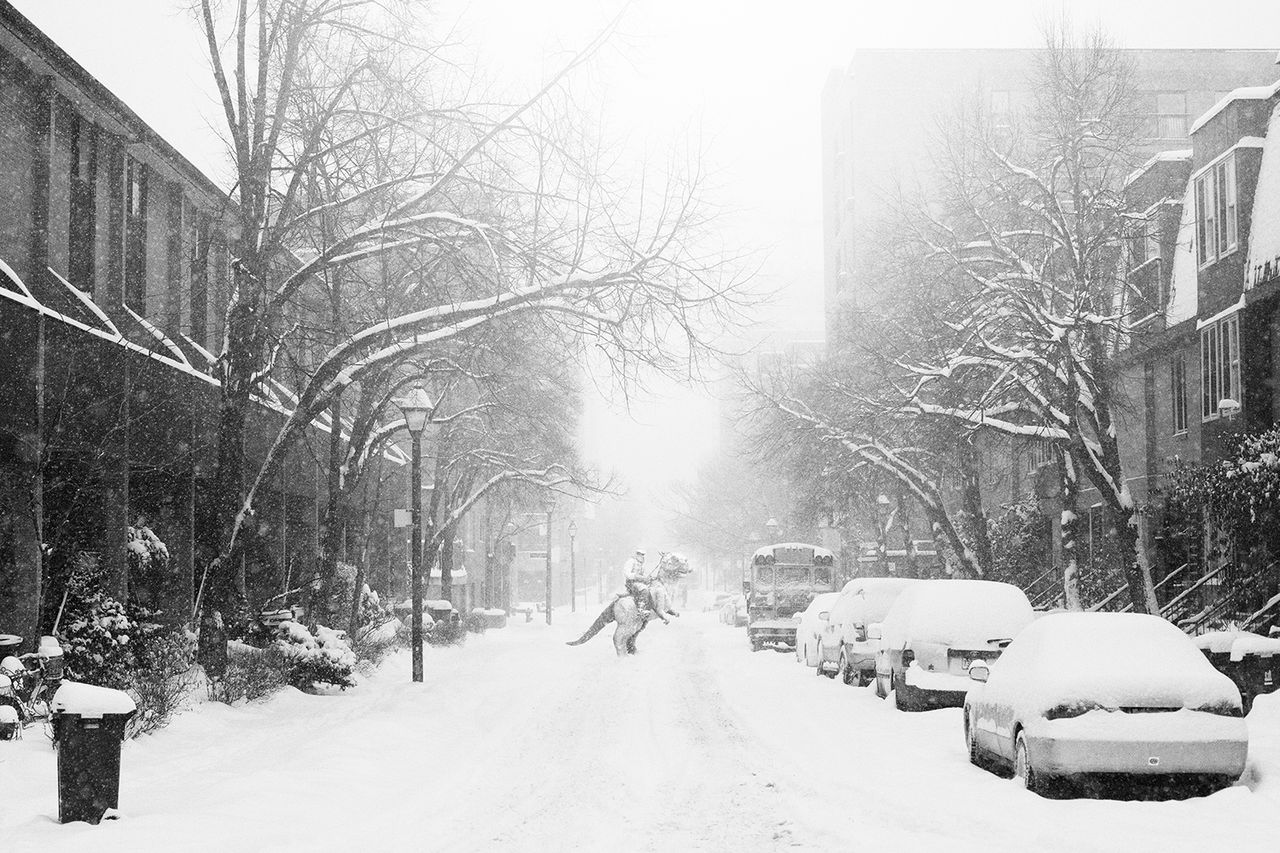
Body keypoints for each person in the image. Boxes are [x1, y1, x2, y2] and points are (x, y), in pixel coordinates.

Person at [622, 548, 668, 624]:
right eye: (640, 554)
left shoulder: (642, 564)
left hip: (640, 583)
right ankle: (641, 609)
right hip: (631, 583)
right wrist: (638, 577)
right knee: (644, 589)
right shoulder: (631, 561)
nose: (642, 556)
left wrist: (649, 578)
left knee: (651, 590)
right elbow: (627, 574)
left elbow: (644, 574)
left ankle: (654, 610)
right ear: (636, 554)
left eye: (643, 555)